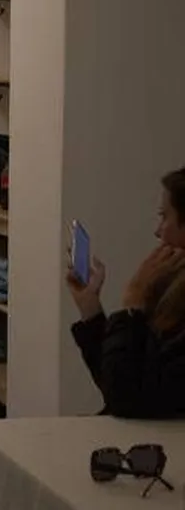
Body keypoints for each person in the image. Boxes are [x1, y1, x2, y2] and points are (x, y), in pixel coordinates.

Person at [67, 167, 185, 418]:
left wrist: (133, 304)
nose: (158, 231)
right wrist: (91, 309)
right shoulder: (172, 292)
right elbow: (116, 382)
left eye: (165, 216)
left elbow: (125, 399)